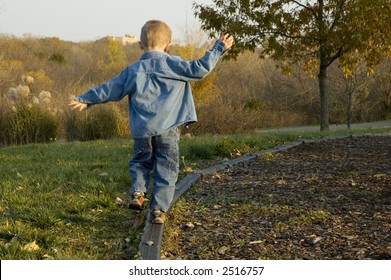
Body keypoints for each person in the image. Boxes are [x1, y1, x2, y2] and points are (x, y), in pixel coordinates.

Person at [68, 20, 233, 224]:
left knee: (140, 163)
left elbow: (111, 88)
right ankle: (158, 210)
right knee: (167, 168)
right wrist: (218, 48)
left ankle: (138, 193)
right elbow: (200, 68)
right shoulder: (174, 64)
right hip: (168, 130)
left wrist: (86, 99)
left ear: (140, 45)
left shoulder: (133, 70)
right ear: (168, 45)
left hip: (141, 131)